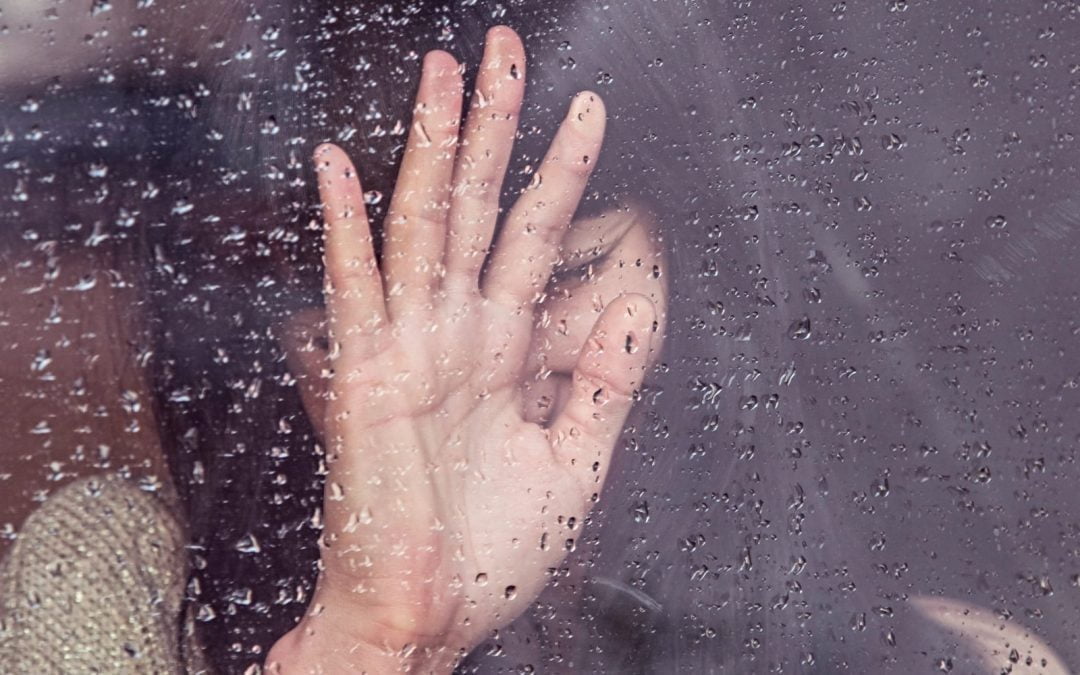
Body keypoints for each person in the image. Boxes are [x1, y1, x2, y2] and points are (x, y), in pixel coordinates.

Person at [0, 25, 669, 673]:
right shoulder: (115, 585)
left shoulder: (669, 631)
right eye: (551, 361)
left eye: (643, 383)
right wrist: (374, 645)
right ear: (326, 351)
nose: (597, 438)